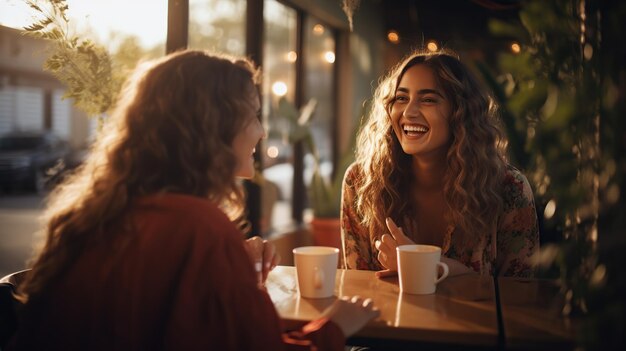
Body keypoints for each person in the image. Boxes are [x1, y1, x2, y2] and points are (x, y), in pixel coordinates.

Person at [10, 50, 379, 350]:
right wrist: (332, 327)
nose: (262, 132)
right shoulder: (198, 229)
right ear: (213, 129)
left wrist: (230, 268)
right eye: (252, 116)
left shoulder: (99, 212)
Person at [341, 49, 539, 278]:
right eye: (401, 98)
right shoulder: (361, 182)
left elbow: (521, 297)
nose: (409, 112)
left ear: (460, 113)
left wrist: (428, 265)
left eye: (428, 100)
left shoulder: (508, 188)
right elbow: (358, 286)